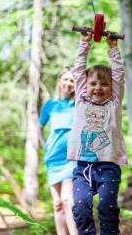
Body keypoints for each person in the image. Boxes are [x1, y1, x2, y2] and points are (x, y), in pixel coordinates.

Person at [67, 32, 127, 235]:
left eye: (104, 84)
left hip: (108, 165)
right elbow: (78, 71)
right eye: (93, 84)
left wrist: (113, 49)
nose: (98, 88)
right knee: (81, 207)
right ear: (86, 86)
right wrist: (84, 43)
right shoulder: (81, 100)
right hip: (83, 166)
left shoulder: (115, 102)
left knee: (106, 206)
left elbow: (118, 74)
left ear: (112, 87)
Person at [38, 67, 78, 235]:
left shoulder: (78, 104)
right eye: (66, 79)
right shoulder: (50, 105)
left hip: (71, 157)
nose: (69, 84)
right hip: (53, 158)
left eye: (72, 80)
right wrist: (45, 145)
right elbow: (38, 128)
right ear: (59, 82)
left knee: (68, 199)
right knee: (57, 203)